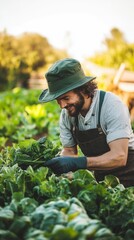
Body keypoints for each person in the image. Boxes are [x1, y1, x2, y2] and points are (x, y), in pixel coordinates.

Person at [39, 58, 134, 187]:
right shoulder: (67, 115)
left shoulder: (111, 106)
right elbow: (69, 151)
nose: (62, 105)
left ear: (83, 90)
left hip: (129, 175)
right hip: (102, 178)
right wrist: (62, 166)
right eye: (58, 100)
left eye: (66, 98)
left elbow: (119, 157)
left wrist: (79, 163)